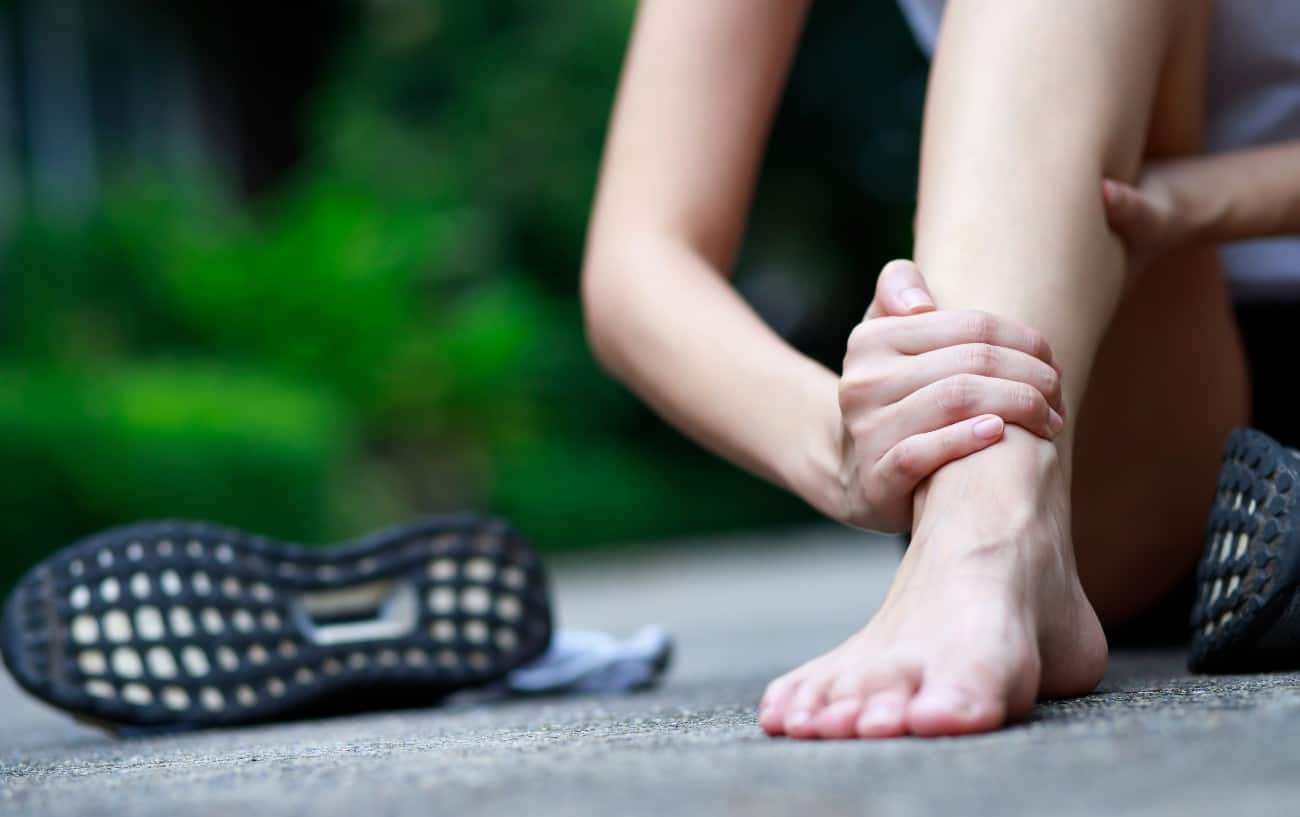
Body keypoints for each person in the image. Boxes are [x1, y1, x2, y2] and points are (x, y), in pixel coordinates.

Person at [581, 0, 1300, 739]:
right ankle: (988, 519)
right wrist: (846, 441)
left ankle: (984, 530)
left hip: (1174, 248)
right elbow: (639, 257)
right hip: (1112, 422)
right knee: (993, 477)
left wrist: (1197, 201)